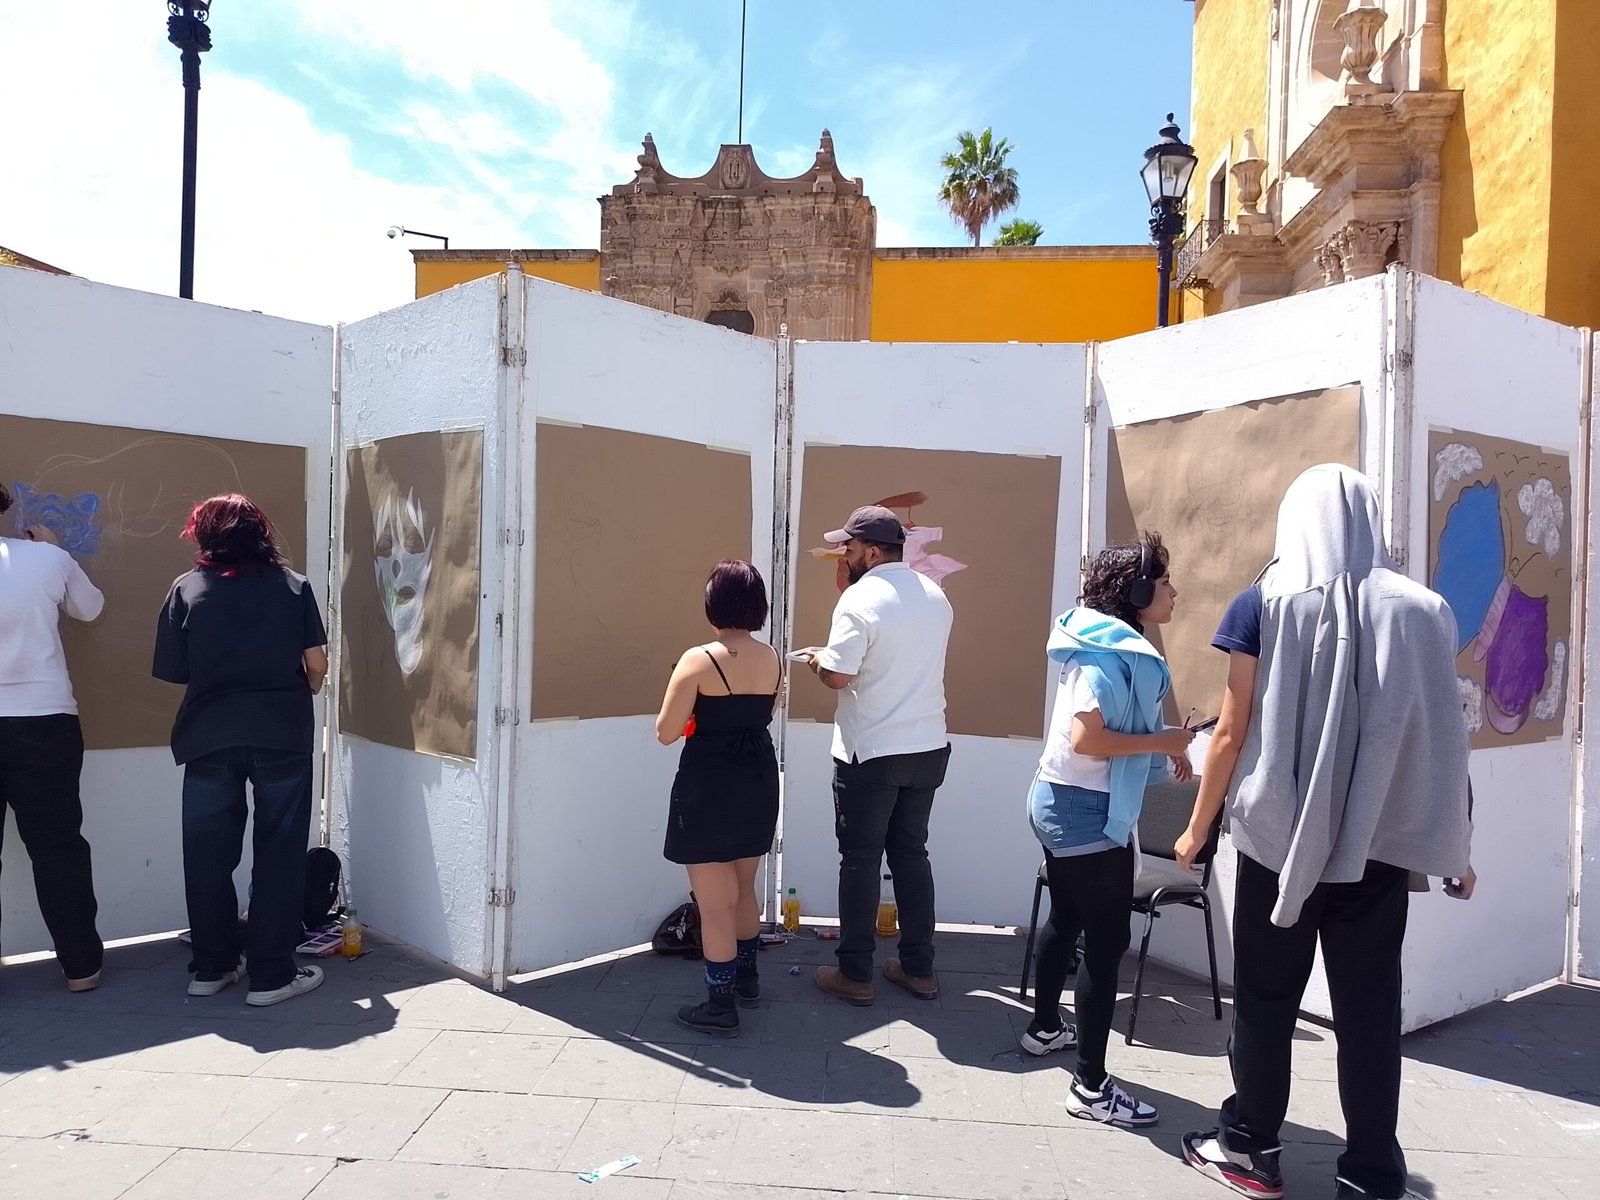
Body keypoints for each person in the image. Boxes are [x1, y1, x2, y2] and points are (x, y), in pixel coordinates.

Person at [1176, 465, 1475, 1200]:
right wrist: (1456, 843)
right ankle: (1372, 1174)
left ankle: (1251, 1148)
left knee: (1265, 999)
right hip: (1377, 845)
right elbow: (1443, 735)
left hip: (1278, 842)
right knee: (1370, 1012)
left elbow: (1231, 731)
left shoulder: (1263, 601)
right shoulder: (1425, 610)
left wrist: (1196, 828)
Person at [1021, 532, 1195, 1126]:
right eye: (1164, 582)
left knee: (1067, 918)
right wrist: (1161, 741)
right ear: (1137, 592)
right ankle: (1091, 1089)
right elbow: (1088, 739)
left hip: (1065, 804)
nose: (1173, 592)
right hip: (1083, 812)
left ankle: (1045, 1029)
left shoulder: (1103, 645)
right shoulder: (1104, 657)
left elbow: (1108, 737)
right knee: (1105, 942)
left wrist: (1164, 745)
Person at [152, 494, 330, 1007]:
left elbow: (175, 670)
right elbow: (317, 664)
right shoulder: (294, 587)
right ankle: (272, 976)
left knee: (207, 856)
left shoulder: (186, 589)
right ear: (261, 532)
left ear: (204, 535)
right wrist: (305, 689)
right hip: (281, 734)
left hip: (208, 736)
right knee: (279, 854)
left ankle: (213, 967)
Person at [801, 505, 953, 1005]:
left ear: (869, 552)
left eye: (847, 547)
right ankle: (919, 969)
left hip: (871, 750)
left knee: (860, 860)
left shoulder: (860, 598)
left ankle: (855, 974)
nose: (842, 555)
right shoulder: (935, 594)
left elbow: (839, 675)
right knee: (912, 856)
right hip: (927, 746)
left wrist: (817, 661)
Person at [655, 560, 781, 1037]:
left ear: (713, 603)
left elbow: (666, 732)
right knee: (743, 888)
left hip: (709, 785)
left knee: (714, 904)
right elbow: (763, 713)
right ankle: (748, 980)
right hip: (757, 779)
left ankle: (720, 1004)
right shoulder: (771, 656)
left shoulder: (697, 659)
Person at [0, 482, 106, 992]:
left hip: (37, 718)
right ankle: (81, 966)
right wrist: (57, 551)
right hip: (44, 720)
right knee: (58, 846)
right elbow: (90, 608)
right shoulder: (46, 559)